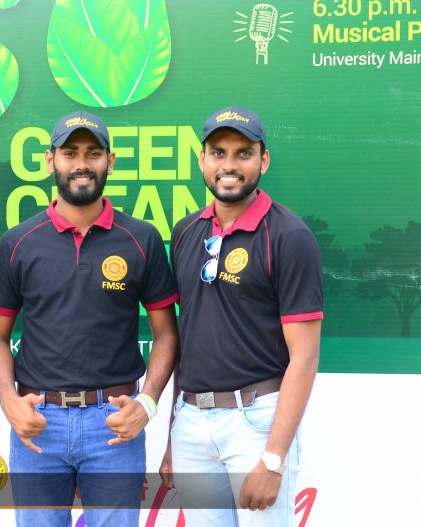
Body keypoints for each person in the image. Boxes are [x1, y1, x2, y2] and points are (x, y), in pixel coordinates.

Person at [0, 111, 179, 526]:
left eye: (93, 153)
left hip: (114, 423)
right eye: (70, 153)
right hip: (38, 422)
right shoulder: (18, 242)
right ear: (50, 160)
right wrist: (8, 402)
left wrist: (147, 403)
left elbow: (166, 334)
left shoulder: (141, 238)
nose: (82, 164)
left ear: (111, 161)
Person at [161, 106, 323, 527]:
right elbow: (187, 339)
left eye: (243, 153)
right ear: (202, 160)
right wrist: (173, 437)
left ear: (263, 160)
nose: (229, 165)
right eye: (218, 153)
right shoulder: (185, 232)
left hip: (256, 423)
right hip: (192, 422)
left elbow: (305, 357)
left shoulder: (289, 235)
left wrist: (274, 458)